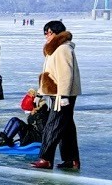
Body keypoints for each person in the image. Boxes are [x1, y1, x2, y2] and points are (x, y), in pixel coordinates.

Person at [33, 20, 81, 170]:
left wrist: (64, 96)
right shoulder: (54, 49)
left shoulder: (62, 49)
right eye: (45, 33)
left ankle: (46, 158)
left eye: (49, 32)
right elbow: (49, 74)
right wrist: (40, 93)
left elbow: (66, 74)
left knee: (53, 126)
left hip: (62, 95)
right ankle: (71, 160)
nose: (46, 35)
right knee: (66, 128)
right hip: (56, 93)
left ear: (57, 33)